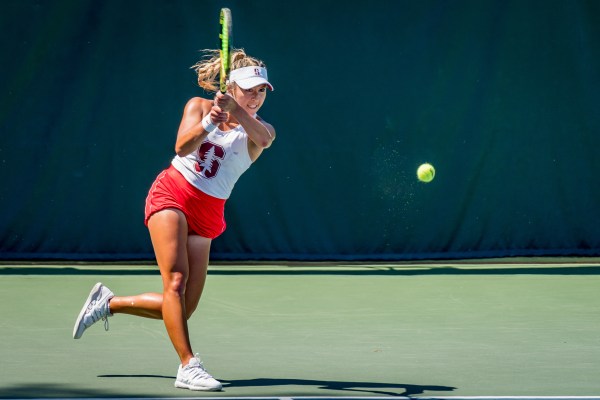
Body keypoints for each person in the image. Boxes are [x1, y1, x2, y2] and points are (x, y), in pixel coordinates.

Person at [72, 49, 275, 392]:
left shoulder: (259, 130)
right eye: (248, 89)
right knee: (176, 282)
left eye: (261, 91)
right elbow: (182, 147)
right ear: (231, 86)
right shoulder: (198, 106)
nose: (255, 97)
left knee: (182, 308)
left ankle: (108, 304)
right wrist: (212, 118)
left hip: (209, 212)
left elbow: (265, 139)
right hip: (173, 194)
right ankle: (188, 366)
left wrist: (234, 108)